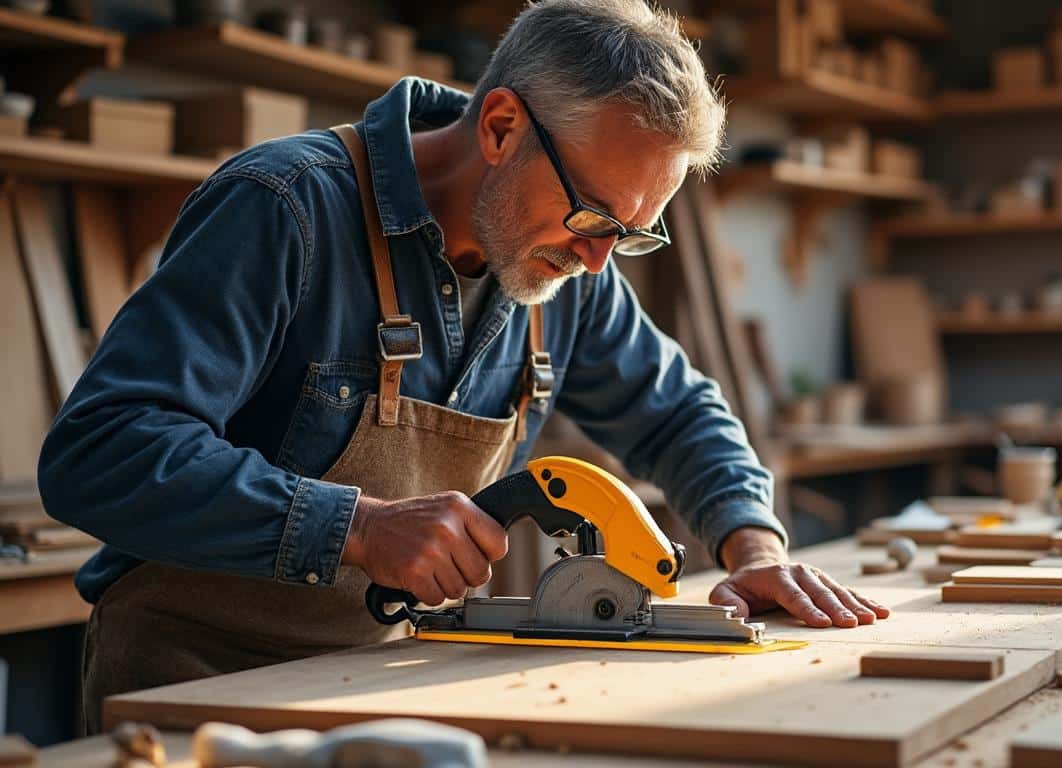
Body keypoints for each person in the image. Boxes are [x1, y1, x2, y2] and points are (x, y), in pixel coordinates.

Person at [39, 0, 888, 732]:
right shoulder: (285, 209)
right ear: (501, 128)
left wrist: (753, 545)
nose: (599, 261)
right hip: (195, 684)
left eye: (629, 234)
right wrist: (360, 529)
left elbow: (676, 412)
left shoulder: (564, 274)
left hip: (381, 679)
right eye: (593, 217)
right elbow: (101, 451)